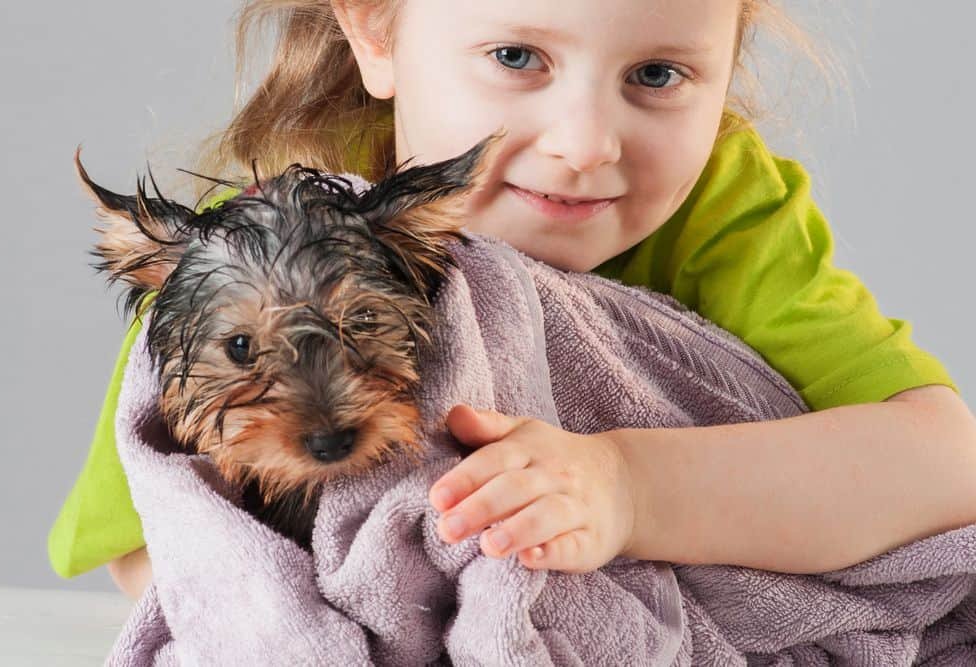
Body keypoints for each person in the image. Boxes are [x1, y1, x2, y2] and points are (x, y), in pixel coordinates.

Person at [50, 0, 976, 600]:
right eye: (516, 55)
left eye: (656, 74)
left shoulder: (723, 204)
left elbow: (944, 464)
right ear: (377, 30)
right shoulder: (246, 247)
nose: (584, 144)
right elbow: (157, 537)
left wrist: (628, 486)